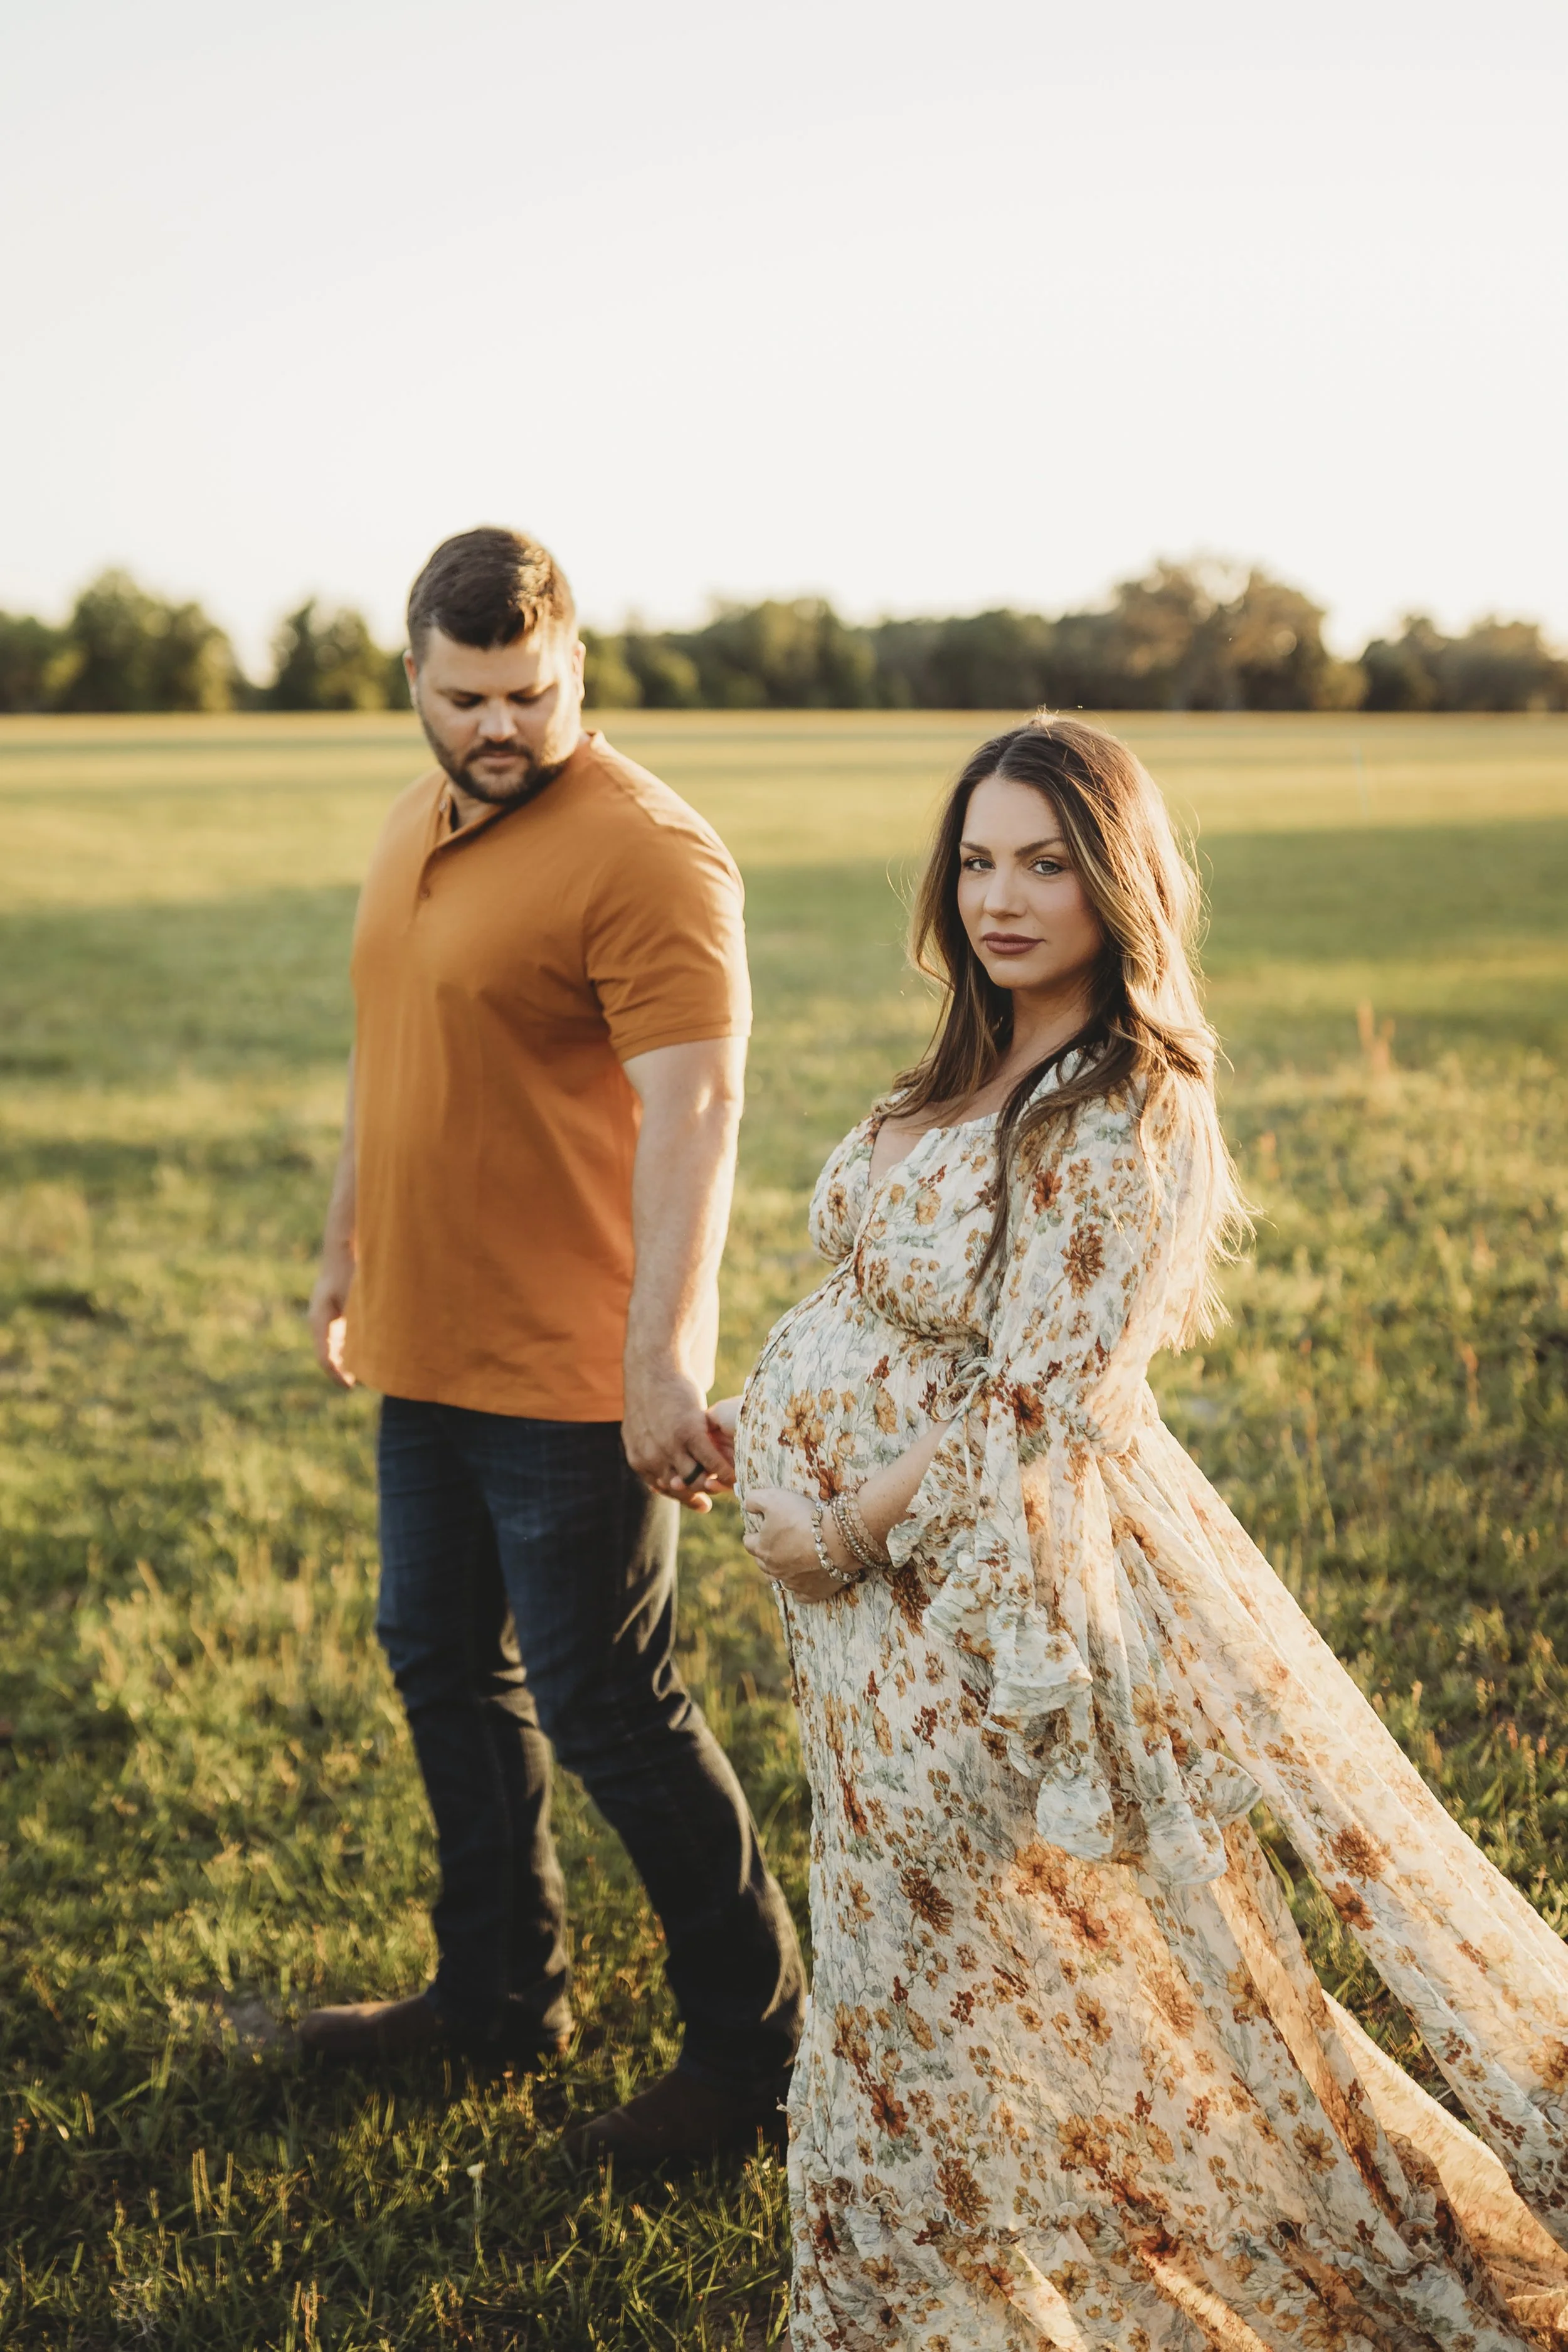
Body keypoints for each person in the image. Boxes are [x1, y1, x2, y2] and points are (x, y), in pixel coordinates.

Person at [723, 714, 1568, 2346]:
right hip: (867, 1625)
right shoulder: (968, 1057)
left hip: (978, 1610)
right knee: (926, 1972)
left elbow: (1033, 1406)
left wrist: (833, 1523)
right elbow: (887, 1303)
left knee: (974, 1985)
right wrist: (760, 1432)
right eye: (976, 859)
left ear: (1120, 877)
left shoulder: (1123, 1106)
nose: (1002, 895)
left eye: (1045, 860)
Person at [300, 526, 802, 2164]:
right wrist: (344, 1244)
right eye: (466, 698)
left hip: (571, 1373)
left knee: (610, 1707)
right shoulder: (414, 821)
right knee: (440, 1659)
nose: (499, 726)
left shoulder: (650, 852)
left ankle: (757, 2061)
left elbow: (699, 1110)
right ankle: (497, 1993)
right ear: (414, 681)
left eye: (528, 694)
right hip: (426, 1347)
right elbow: (392, 1051)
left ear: (574, 667)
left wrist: (661, 1360)